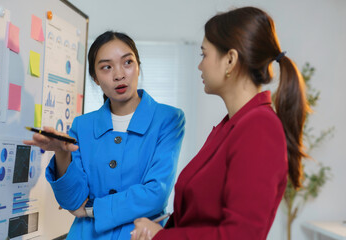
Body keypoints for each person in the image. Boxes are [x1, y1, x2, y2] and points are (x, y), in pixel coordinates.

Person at [131, 6, 309, 240]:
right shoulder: (231, 126)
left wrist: (159, 237)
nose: (200, 65)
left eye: (204, 55)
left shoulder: (260, 128)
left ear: (230, 60)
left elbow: (240, 235)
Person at [24, 31, 185, 239]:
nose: (119, 74)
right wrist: (61, 154)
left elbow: (156, 194)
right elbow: (72, 202)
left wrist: (92, 209)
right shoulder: (82, 125)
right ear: (95, 78)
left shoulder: (168, 119)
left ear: (138, 66)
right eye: (107, 67)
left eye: (127, 62)